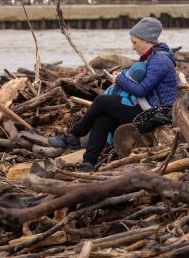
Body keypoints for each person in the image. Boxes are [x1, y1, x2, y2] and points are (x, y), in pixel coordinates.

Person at [48, 17, 179, 171]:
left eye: (135, 42)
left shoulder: (160, 60)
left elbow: (142, 90)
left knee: (102, 101)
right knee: (102, 121)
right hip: (149, 108)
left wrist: (120, 79)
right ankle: (88, 163)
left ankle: (72, 136)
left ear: (146, 40)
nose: (133, 47)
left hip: (157, 114)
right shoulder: (154, 56)